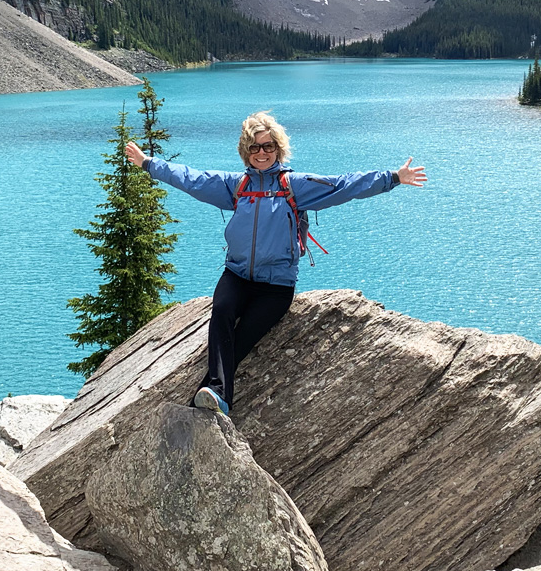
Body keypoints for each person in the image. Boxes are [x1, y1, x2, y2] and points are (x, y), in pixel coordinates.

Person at [124, 111, 427, 416]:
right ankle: (216, 394)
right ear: (246, 152)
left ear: (278, 149)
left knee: (241, 340)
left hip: (276, 286)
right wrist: (149, 163)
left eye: (268, 147)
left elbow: (342, 185)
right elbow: (191, 178)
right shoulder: (236, 185)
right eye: (255, 148)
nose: (262, 153)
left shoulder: (294, 185)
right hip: (237, 274)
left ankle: (210, 396)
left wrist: (392, 178)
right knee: (222, 314)